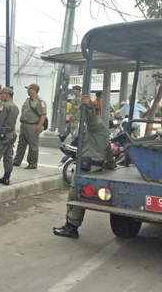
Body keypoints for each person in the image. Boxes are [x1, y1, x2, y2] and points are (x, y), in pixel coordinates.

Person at [53, 95, 110, 238]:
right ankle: (70, 225)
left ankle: (71, 228)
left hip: (88, 166)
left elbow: (91, 120)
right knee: (77, 195)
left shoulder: (94, 125)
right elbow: (107, 150)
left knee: (75, 195)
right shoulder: (101, 127)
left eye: (83, 112)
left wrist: (89, 107)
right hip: (91, 165)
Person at [13, 84, 47, 169]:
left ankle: (32, 164)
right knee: (21, 144)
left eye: (29, 89)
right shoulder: (27, 100)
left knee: (33, 146)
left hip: (33, 125)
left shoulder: (40, 102)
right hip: (24, 125)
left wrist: (38, 127)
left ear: (35, 90)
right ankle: (17, 161)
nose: (28, 91)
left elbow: (43, 115)